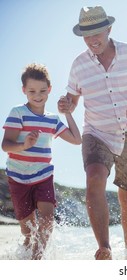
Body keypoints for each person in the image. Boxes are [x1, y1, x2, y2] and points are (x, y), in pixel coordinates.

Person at [58, 6, 127, 260]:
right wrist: (67, 104)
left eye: (96, 33)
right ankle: (104, 248)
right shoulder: (79, 65)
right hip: (96, 131)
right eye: (86, 36)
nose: (92, 40)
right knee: (94, 179)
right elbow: (72, 98)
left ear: (109, 29)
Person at [2, 63, 82, 260]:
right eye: (32, 91)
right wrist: (25, 145)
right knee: (28, 232)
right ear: (24, 91)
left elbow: (76, 139)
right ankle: (27, 254)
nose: (38, 95)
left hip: (43, 175)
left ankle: (37, 260)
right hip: (18, 177)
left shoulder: (52, 119)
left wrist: (68, 113)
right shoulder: (18, 113)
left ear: (50, 90)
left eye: (42, 91)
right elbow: (6, 145)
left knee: (47, 220)